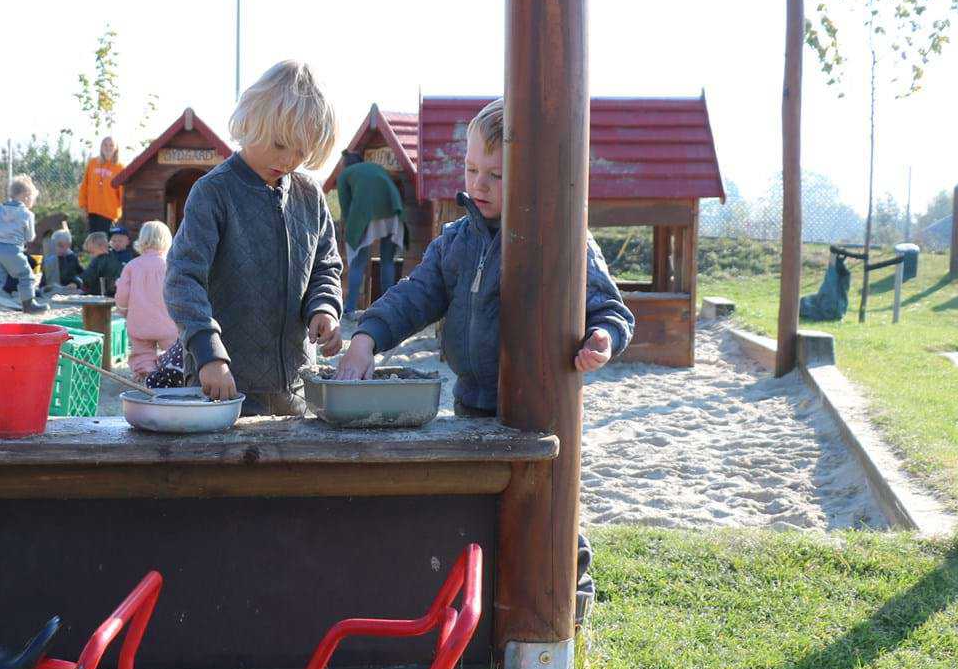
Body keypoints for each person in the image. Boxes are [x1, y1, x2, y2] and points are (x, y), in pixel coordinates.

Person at [335, 99, 633, 623]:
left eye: (497, 174)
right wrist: (366, 338)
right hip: (473, 404)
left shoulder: (562, 240)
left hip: (539, 412)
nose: (481, 183)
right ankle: (480, 619)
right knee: (478, 515)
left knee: (549, 518)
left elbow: (608, 306)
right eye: (473, 169)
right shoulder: (456, 241)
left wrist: (603, 337)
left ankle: (568, 611)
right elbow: (415, 296)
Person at [165, 60, 345, 415]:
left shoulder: (310, 196)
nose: (289, 160)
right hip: (220, 385)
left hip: (293, 386)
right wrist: (207, 352)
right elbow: (182, 279)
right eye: (280, 145)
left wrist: (324, 308)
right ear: (252, 122)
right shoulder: (213, 193)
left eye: (301, 152)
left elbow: (325, 267)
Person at [335, 149, 407, 317]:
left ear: (346, 164)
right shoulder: (375, 169)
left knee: (358, 262)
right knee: (387, 261)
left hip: (366, 215)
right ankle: (387, 308)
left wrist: (350, 233)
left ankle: (350, 309)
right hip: (394, 213)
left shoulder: (345, 175)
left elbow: (346, 210)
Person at [115, 220, 180, 378]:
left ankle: (146, 375)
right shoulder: (171, 265)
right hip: (168, 322)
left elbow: (123, 294)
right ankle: (172, 373)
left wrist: (123, 311)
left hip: (139, 322)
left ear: (141, 240)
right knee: (174, 351)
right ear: (167, 241)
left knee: (142, 353)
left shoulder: (132, 266)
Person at [0, 175, 47, 312]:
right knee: (26, 275)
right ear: (26, 196)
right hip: (12, 249)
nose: (32, 202)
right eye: (32, 199)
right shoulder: (27, 214)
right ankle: (28, 305)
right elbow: (30, 237)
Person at [76, 136, 124, 235]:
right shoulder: (92, 163)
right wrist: (82, 206)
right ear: (101, 147)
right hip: (92, 212)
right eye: (105, 145)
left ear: (116, 149)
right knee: (93, 244)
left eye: (111, 145)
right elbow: (84, 186)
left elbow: (123, 193)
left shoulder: (120, 167)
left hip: (109, 215)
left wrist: (121, 214)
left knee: (105, 245)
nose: (108, 148)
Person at [78, 231, 118, 297]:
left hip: (98, 293)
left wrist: (78, 281)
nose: (91, 255)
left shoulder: (98, 260)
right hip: (112, 294)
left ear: (101, 247)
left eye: (92, 252)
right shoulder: (114, 257)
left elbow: (88, 277)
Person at [44, 228, 83, 295]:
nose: (58, 249)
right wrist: (47, 287)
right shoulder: (50, 260)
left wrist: (75, 283)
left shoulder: (72, 258)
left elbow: (81, 275)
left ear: (68, 245)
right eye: (55, 245)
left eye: (61, 246)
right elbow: (43, 282)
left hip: (68, 290)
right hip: (53, 292)